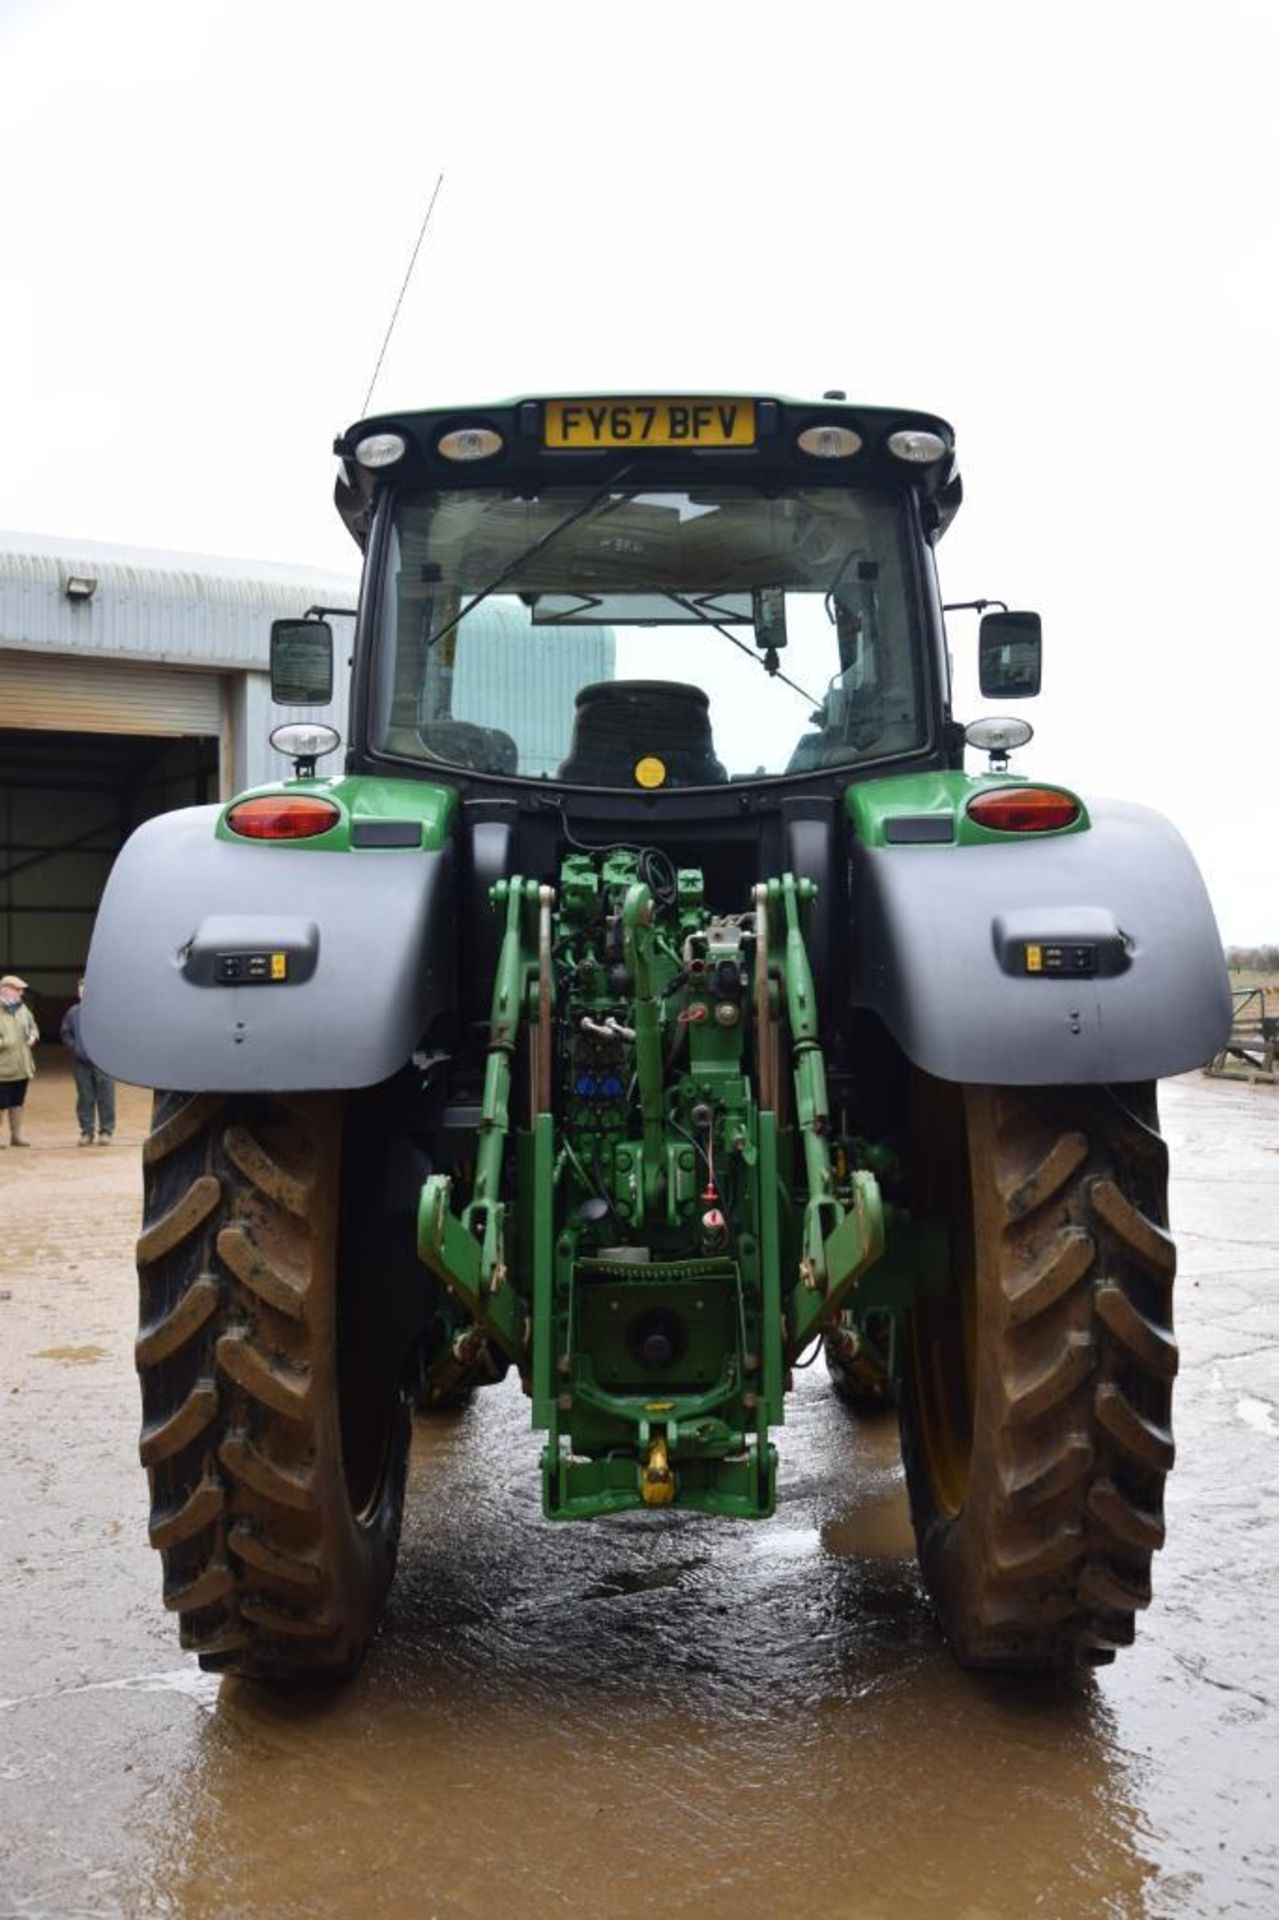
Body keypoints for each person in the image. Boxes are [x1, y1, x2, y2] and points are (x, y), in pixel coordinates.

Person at [60, 978, 116, 1146]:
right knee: (85, 1098)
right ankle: (86, 1132)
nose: (83, 993)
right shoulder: (72, 1013)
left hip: (103, 1064)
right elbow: (65, 1033)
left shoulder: (105, 1012)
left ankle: (106, 1132)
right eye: (81, 990)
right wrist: (75, 1047)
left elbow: (115, 1033)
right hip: (81, 1063)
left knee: (106, 1097)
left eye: (87, 990)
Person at [0, 973, 40, 1147]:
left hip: (22, 1066)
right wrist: (4, 1042)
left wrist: (33, 1036)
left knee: (17, 1101)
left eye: (21, 990)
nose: (21, 993)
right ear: (5, 990)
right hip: (3, 1068)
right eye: (18, 990)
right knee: (1, 1103)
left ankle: (16, 1136)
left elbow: (33, 1027)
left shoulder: (23, 1009)